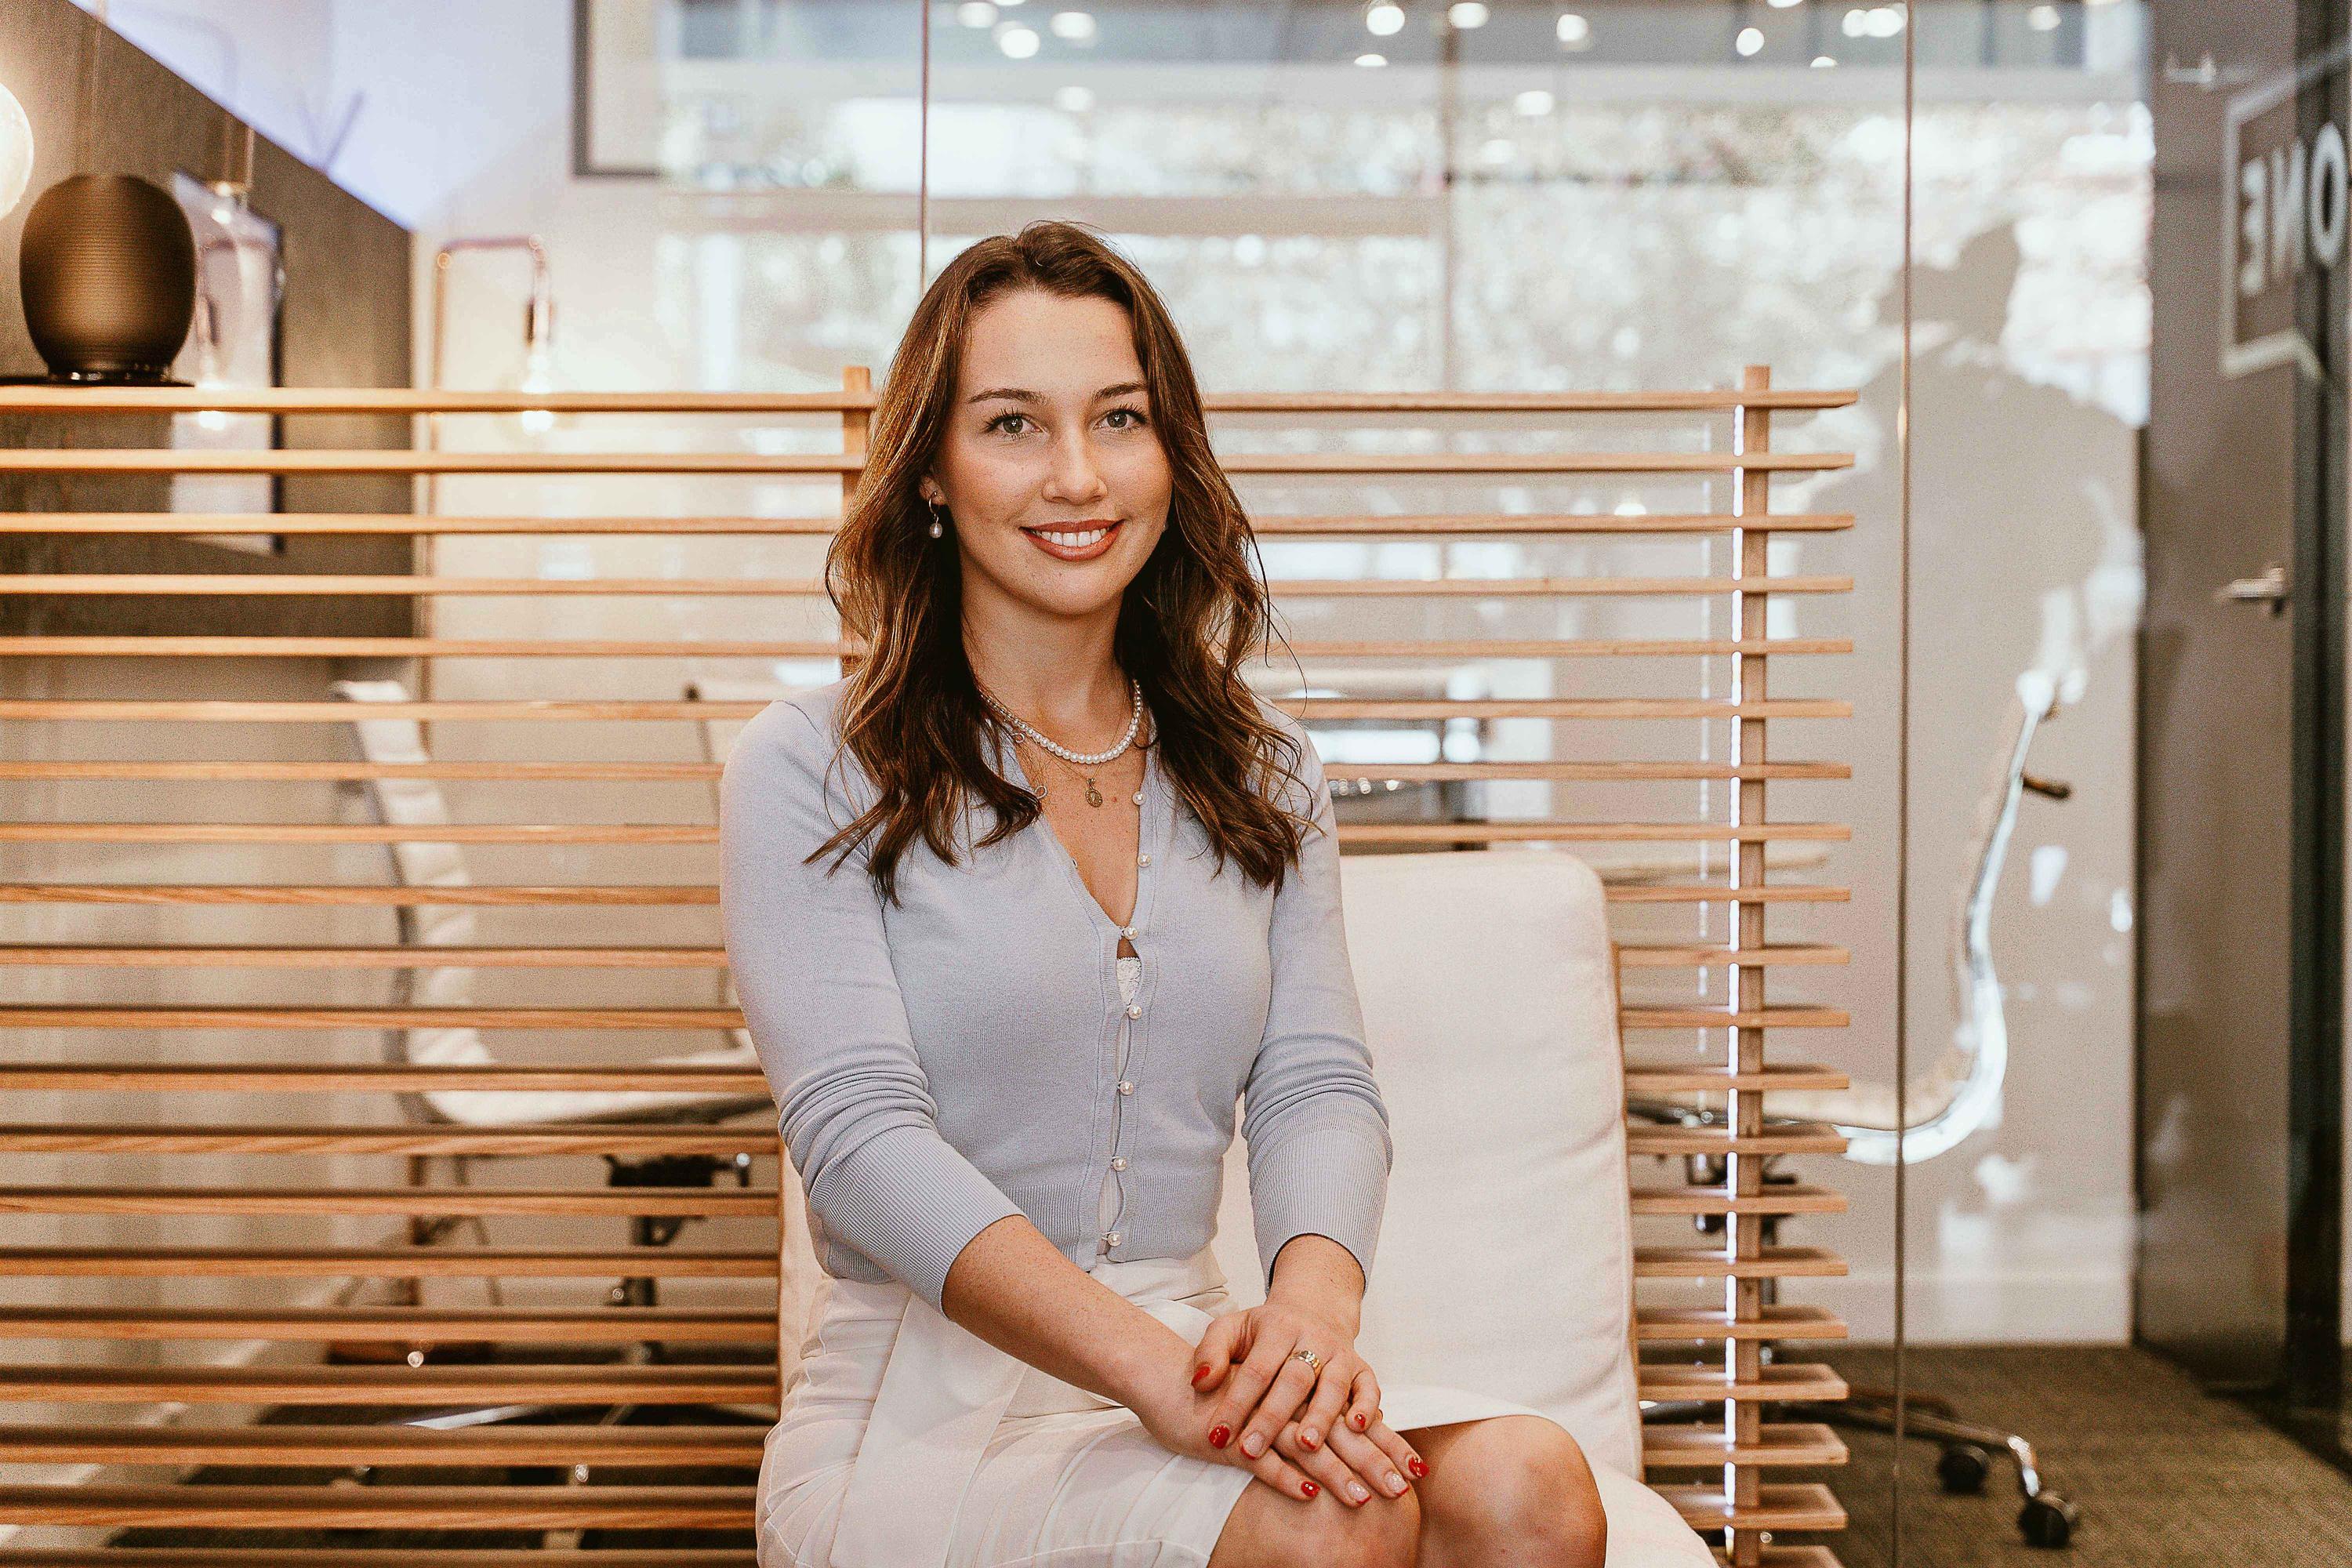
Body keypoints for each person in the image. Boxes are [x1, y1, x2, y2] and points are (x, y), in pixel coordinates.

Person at [720, 219, 1607, 1568]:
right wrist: (1150, 1370)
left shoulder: (1265, 768)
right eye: (1013, 424)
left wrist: (1307, 1327)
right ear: (932, 471)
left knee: (1529, 1488)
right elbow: (857, 1140)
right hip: (926, 1410)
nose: (1077, 474)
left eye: (1119, 419)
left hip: (1191, 1356)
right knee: (1334, 1519)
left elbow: (1315, 1078)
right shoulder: (809, 763)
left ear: (1170, 452)